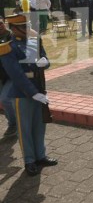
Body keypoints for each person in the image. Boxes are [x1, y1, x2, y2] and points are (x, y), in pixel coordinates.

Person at [0, 12, 57, 176]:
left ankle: (41, 155)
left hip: (39, 88)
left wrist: (45, 62)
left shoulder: (35, 40)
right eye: (23, 27)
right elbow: (16, 76)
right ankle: (30, 160)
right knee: (25, 129)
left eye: (28, 25)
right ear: (14, 28)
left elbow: (45, 58)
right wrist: (33, 94)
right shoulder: (7, 48)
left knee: (40, 126)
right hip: (22, 93)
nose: (27, 29)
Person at [0, 16, 17, 137]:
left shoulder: (12, 36)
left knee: (5, 99)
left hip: (11, 75)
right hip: (2, 76)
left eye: (0, 23)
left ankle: (14, 124)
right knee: (5, 101)